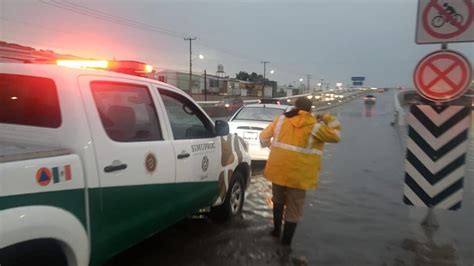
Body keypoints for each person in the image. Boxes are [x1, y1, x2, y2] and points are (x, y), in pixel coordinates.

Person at [259, 97, 341, 246]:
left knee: (277, 201)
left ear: (295, 107)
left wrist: (270, 146)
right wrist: (327, 117)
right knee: (293, 210)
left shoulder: (281, 120)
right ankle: (285, 245)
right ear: (310, 110)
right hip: (299, 176)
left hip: (278, 170)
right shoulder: (314, 126)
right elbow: (336, 136)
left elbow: (263, 138)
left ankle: (276, 231)